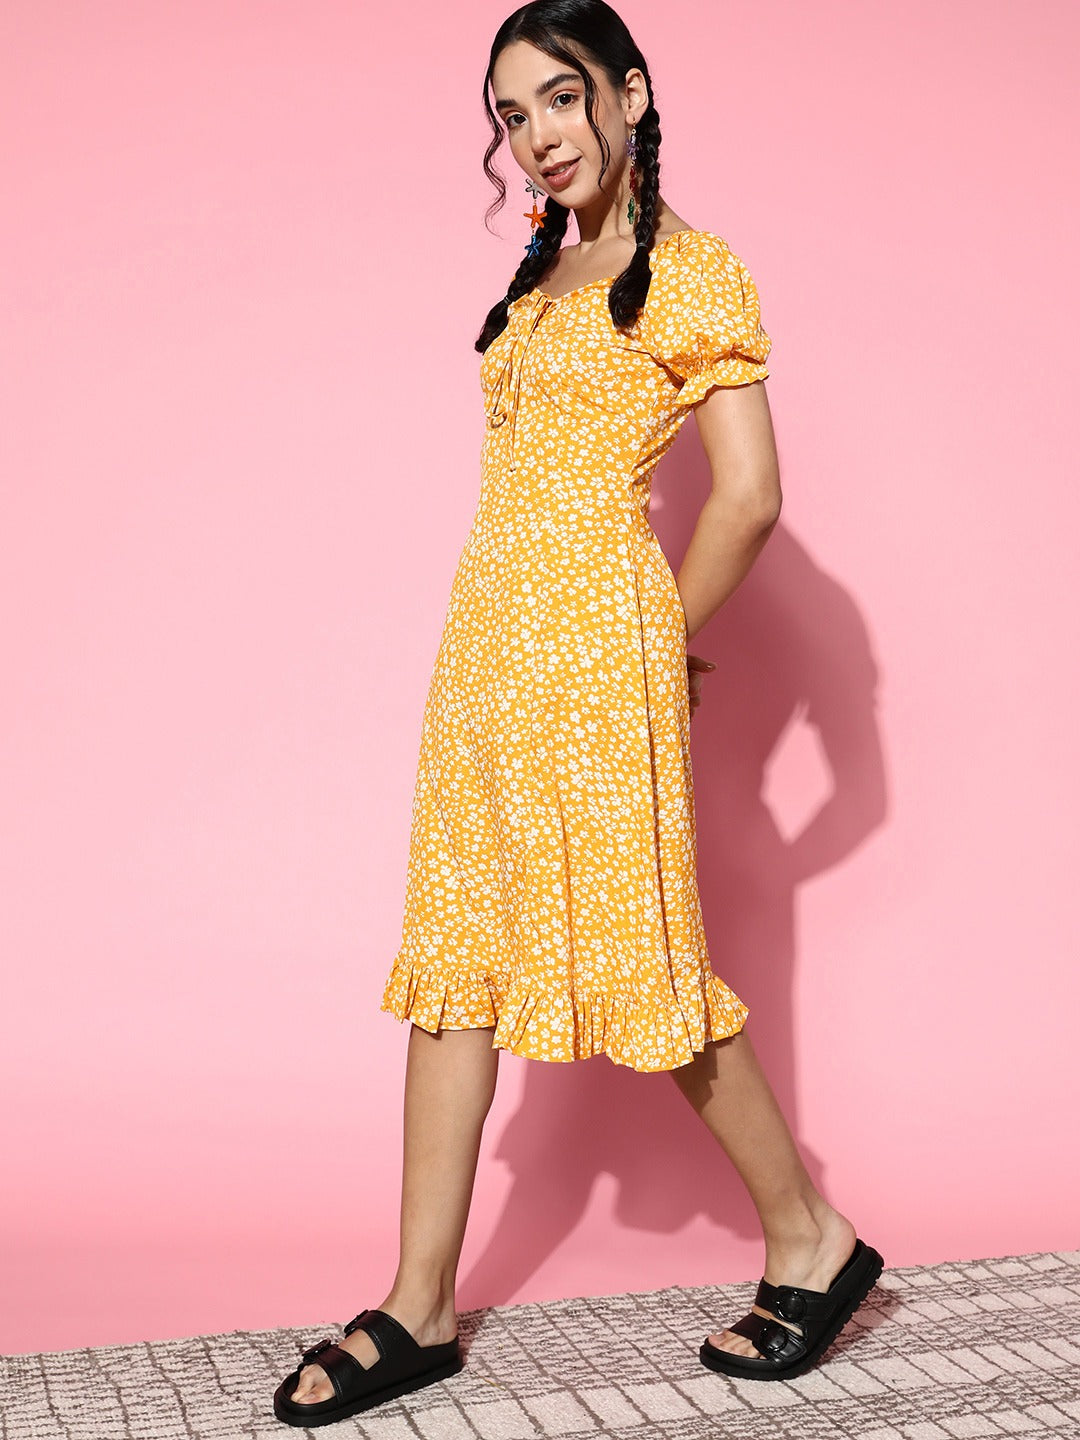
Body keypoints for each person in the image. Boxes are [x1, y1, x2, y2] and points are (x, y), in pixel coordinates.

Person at [273, 0, 882, 1426]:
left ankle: (813, 1237)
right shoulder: (549, 274)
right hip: (486, 651)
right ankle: (419, 1304)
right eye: (512, 114)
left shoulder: (693, 270)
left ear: (629, 91)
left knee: (639, 966)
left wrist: (650, 640)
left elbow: (750, 496)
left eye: (561, 96)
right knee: (455, 956)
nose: (539, 135)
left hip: (597, 652)